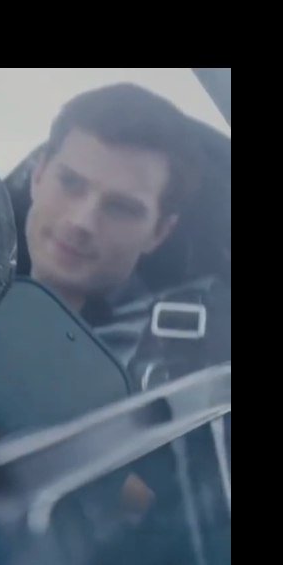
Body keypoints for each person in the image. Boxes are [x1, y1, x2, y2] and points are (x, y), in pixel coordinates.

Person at [22, 83, 215, 370]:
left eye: (121, 207)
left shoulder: (156, 370)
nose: (81, 221)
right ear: (38, 175)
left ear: (159, 232)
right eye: (70, 182)